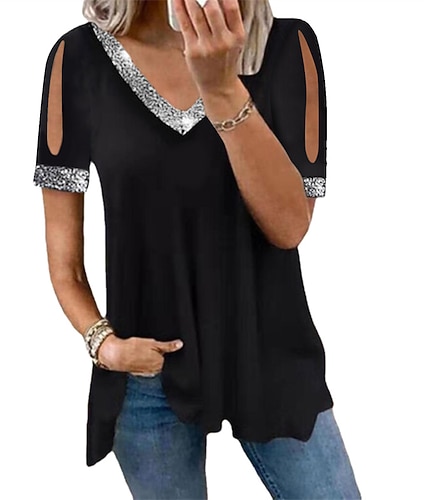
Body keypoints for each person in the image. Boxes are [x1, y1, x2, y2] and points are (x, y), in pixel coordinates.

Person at [33, 0, 362, 497]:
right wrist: (105, 344)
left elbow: (290, 226)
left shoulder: (287, 46)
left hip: (274, 358)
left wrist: (222, 88)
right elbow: (66, 267)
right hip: (150, 374)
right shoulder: (78, 59)